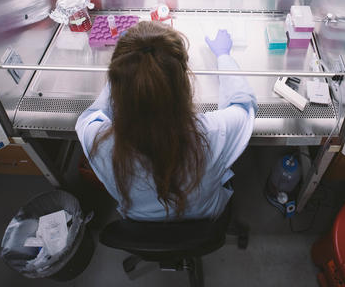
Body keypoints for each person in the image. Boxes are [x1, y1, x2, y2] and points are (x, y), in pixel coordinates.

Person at [75, 21, 257, 221]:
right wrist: (224, 56)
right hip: (202, 221)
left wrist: (127, 72)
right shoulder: (213, 133)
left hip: (140, 227)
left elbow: (91, 115)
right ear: (184, 81)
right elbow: (243, 105)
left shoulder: (99, 141)